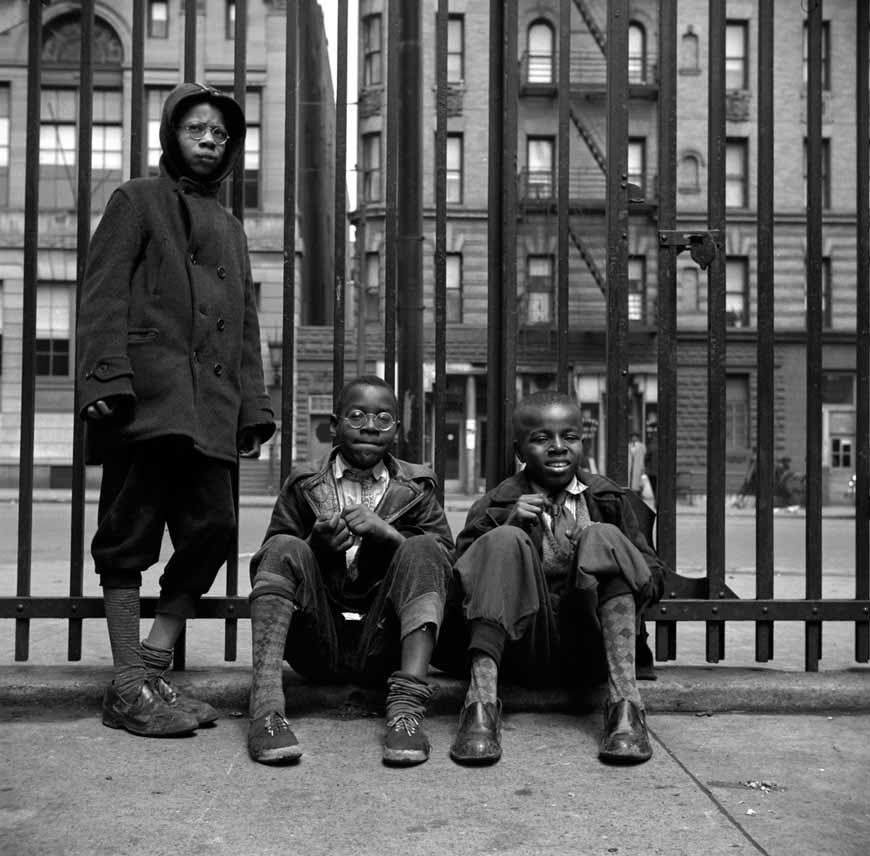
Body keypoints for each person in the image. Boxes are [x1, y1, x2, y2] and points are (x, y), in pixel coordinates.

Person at [76, 82, 275, 738]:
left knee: (215, 527)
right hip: (147, 400)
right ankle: (130, 686)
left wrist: (253, 409)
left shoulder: (233, 230)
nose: (210, 140)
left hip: (211, 409)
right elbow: (103, 293)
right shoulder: (136, 200)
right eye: (197, 129)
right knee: (128, 533)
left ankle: (150, 668)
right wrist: (104, 378)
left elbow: (246, 326)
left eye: (220, 134)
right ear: (173, 135)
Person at [434, 390, 667, 766]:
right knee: (504, 539)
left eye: (569, 437)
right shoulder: (495, 503)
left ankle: (626, 708)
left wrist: (597, 548)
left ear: (581, 441)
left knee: (602, 537)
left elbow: (652, 580)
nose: (558, 447)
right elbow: (459, 588)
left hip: (593, 646)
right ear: (520, 450)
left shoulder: (609, 499)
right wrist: (507, 523)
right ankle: (480, 706)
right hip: (519, 649)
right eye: (541, 439)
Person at [246, 375, 454, 766]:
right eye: (357, 416)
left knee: (423, 546)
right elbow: (271, 562)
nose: (371, 426)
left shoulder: (418, 486)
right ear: (334, 424)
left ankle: (406, 713)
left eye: (383, 419)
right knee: (284, 546)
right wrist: (314, 546)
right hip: (317, 642)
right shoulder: (304, 483)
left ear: (396, 429)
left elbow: (447, 565)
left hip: (386, 645)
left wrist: (391, 536)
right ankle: (267, 712)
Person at [627, 431, 646, 495]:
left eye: (635, 437)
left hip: (638, 466)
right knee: (630, 480)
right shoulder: (628, 446)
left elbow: (643, 456)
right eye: (633, 437)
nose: (634, 438)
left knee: (638, 482)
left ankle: (637, 493)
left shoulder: (641, 446)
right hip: (630, 466)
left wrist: (642, 467)